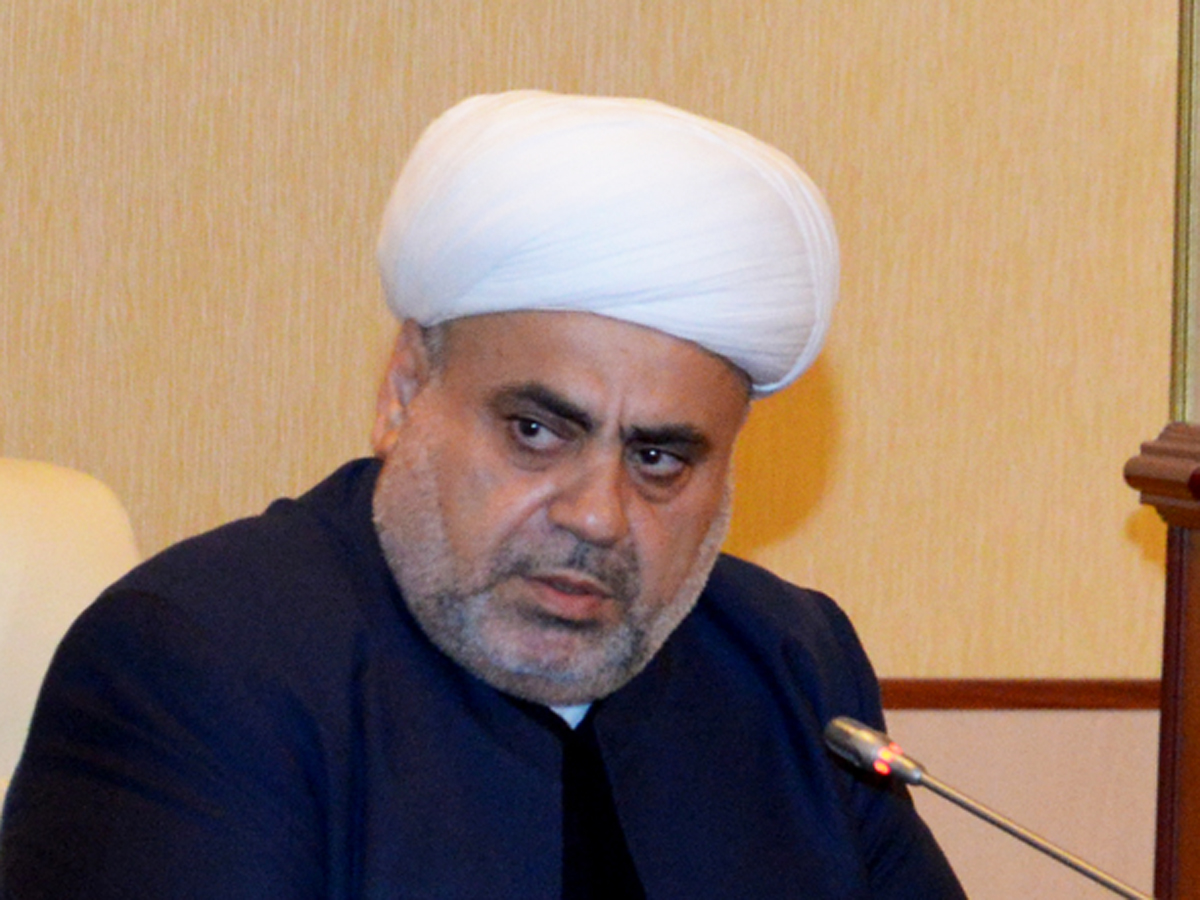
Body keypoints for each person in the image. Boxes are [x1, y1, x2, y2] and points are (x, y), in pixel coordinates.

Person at [0, 91, 964, 899]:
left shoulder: (787, 668)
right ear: (404, 393)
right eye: (537, 432)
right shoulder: (203, 664)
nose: (597, 515)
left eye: (659, 459)